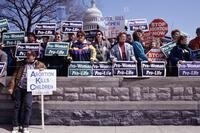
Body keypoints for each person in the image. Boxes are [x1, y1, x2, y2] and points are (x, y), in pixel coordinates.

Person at [7, 51, 46, 133]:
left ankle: (25, 126)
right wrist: (11, 87)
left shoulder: (39, 64)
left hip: (30, 89)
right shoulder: (21, 64)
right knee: (17, 106)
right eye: (27, 55)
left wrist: (43, 70)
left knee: (28, 106)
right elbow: (14, 75)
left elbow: (46, 73)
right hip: (19, 87)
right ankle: (16, 126)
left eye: (29, 56)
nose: (27, 57)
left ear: (34, 57)